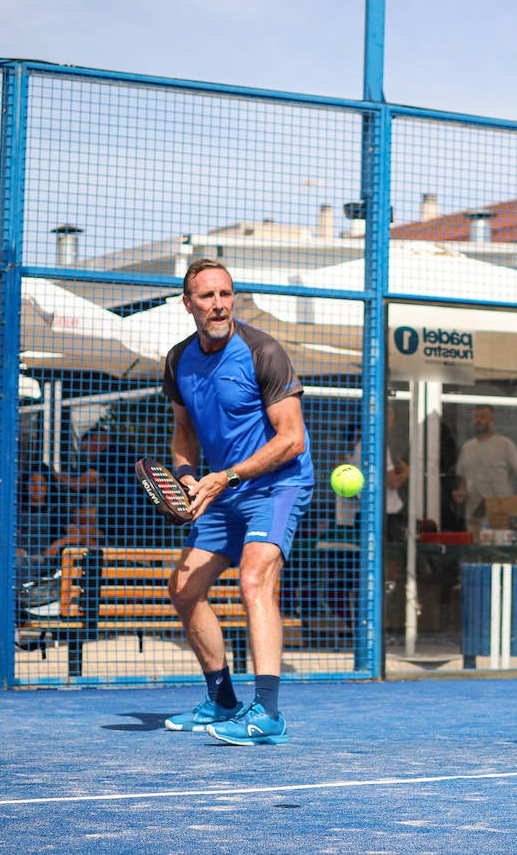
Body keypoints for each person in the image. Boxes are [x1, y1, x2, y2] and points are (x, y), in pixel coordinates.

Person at [160, 258, 313, 746]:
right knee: (184, 589)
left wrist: (225, 476)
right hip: (222, 491)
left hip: (276, 485)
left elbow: (292, 439)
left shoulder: (263, 352)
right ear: (188, 304)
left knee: (254, 580)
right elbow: (184, 435)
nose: (219, 304)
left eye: (225, 294)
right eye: (207, 296)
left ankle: (267, 713)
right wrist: (187, 477)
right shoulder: (178, 360)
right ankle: (222, 700)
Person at [452, 404, 517, 529]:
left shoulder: (504, 444)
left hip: (500, 517)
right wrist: (461, 493)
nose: (479, 420)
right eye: (476, 417)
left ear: (492, 421)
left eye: (483, 416)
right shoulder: (467, 448)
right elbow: (463, 479)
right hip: (474, 518)